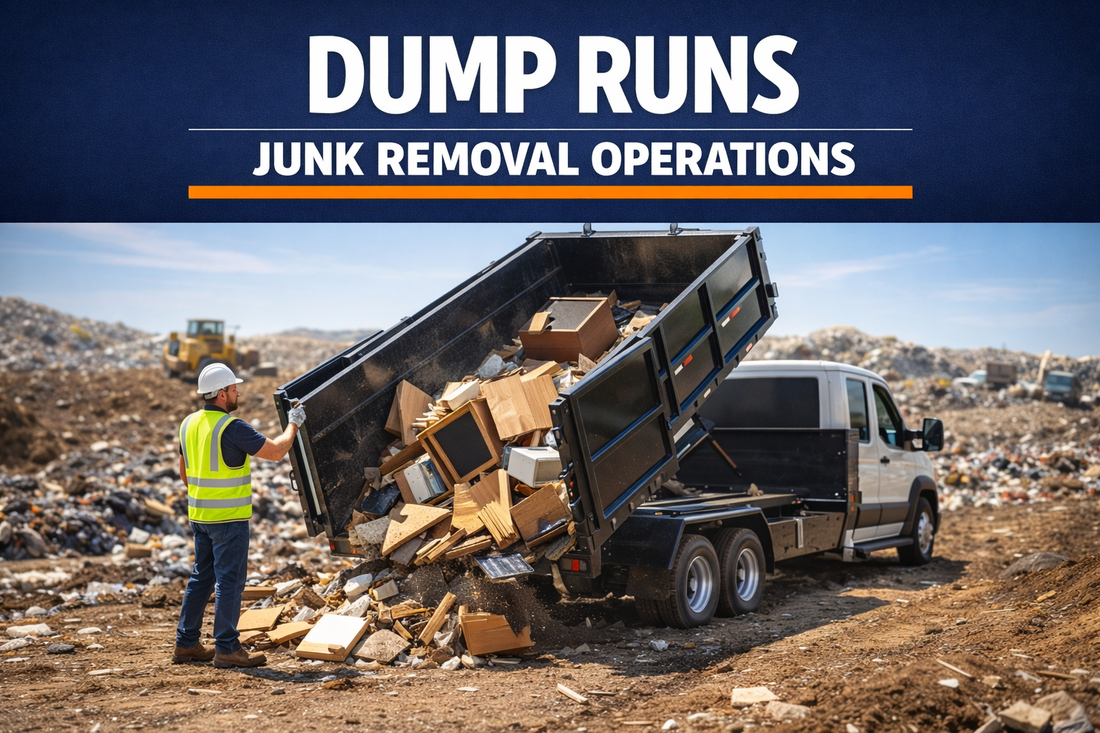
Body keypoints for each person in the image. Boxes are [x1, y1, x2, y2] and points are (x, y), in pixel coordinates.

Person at [172, 363, 306, 668]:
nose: (238, 393)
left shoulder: (188, 424)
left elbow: (184, 473)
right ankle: (228, 648)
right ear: (222, 394)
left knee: (200, 578)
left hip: (200, 516)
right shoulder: (232, 427)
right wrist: (294, 424)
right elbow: (276, 451)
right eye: (234, 389)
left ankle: (186, 644)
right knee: (229, 582)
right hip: (228, 519)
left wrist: (205, 496)